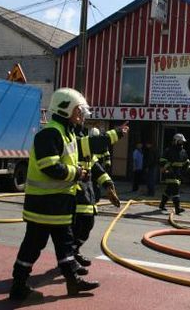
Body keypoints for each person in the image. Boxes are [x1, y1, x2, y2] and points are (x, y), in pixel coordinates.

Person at [9, 88, 128, 301]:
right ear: (64, 109)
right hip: (44, 206)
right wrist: (78, 173)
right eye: (78, 111)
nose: (81, 116)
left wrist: (116, 134)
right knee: (33, 247)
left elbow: (91, 145)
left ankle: (73, 283)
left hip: (59, 205)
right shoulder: (50, 133)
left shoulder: (67, 133)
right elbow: (50, 167)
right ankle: (18, 286)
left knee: (65, 246)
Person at [71, 127, 122, 271]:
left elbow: (96, 167)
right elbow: (96, 143)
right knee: (77, 228)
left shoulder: (87, 149)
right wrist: (117, 133)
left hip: (87, 193)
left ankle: (74, 252)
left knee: (87, 225)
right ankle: (70, 258)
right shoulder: (74, 142)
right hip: (75, 195)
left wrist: (108, 184)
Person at [159, 133, 190, 214]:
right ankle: (177, 208)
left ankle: (162, 204)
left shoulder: (183, 152)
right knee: (175, 189)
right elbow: (162, 160)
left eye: (182, 142)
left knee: (169, 190)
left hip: (178, 173)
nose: (181, 143)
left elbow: (186, 162)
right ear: (175, 141)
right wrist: (167, 168)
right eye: (180, 142)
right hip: (170, 172)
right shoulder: (169, 150)